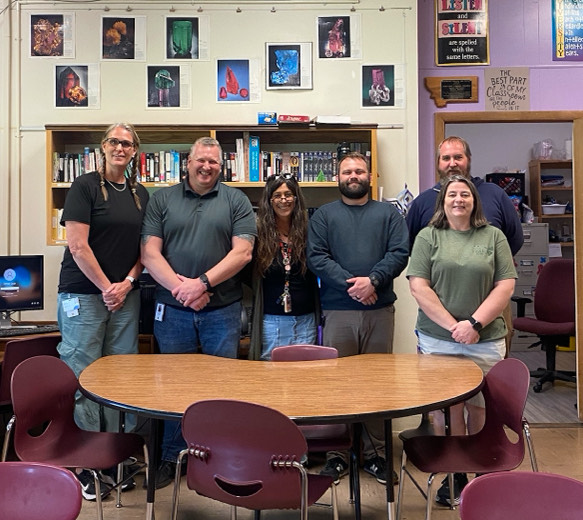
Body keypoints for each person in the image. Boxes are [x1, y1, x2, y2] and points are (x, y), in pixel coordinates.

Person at [140, 136, 256, 489]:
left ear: (223, 167)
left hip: (222, 310)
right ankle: (173, 456)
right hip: (172, 311)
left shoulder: (236, 200)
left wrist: (202, 284)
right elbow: (149, 254)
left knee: (221, 387)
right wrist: (185, 289)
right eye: (201, 160)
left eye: (214, 163)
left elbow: (243, 253)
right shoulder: (162, 199)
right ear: (188, 161)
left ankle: (217, 458)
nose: (207, 167)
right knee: (174, 387)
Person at [407, 174, 517, 506]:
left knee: (479, 406)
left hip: (484, 339)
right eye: (452, 194)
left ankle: (481, 469)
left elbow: (505, 285)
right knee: (445, 408)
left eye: (465, 194)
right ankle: (453, 475)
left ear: (474, 201)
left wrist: (474, 324)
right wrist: (454, 326)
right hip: (438, 339)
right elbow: (418, 285)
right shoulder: (428, 236)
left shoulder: (493, 236)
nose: (458, 199)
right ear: (442, 202)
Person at [57, 122, 149, 499]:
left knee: (118, 377)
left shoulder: (141, 193)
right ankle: (84, 463)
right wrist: (106, 288)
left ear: (134, 151)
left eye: (127, 143)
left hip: (125, 296)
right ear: (103, 146)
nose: (120, 148)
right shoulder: (84, 186)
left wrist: (125, 284)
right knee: (82, 376)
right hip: (84, 295)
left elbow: (147, 250)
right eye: (114, 141)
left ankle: (111, 456)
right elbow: (77, 245)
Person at [307, 151, 409, 485]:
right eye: (347, 171)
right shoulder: (323, 215)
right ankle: (338, 456)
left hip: (379, 312)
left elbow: (399, 253)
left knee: (377, 387)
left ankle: (376, 455)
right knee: (337, 387)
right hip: (338, 312)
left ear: (370, 175)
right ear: (338, 177)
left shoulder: (388, 214)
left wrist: (374, 281)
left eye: (359, 171)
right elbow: (317, 257)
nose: (354, 175)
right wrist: (354, 285)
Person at [406, 136, 523, 359]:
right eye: (446, 158)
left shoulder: (495, 195)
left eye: (458, 157)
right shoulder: (422, 204)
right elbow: (414, 256)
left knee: (493, 389)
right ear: (438, 163)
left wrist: (482, 264)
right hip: (438, 329)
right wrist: (456, 327)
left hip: (489, 315)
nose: (452, 163)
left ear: (468, 160)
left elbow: (514, 240)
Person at [248, 173, 318, 361]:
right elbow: (246, 274)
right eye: (277, 195)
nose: (283, 200)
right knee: (272, 379)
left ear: (296, 199)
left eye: (288, 194)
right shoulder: (258, 235)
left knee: (306, 377)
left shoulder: (309, 232)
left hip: (306, 319)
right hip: (272, 321)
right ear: (269, 201)